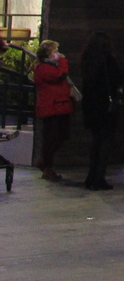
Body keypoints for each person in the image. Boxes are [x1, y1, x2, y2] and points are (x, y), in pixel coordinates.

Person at [80, 32, 123, 191]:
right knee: (105, 142)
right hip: (105, 106)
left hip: (90, 106)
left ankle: (91, 177)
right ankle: (99, 178)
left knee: (95, 142)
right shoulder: (108, 61)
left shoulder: (87, 61)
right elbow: (115, 80)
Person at [32, 40, 74, 182]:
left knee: (62, 134)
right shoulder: (43, 68)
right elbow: (59, 75)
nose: (57, 54)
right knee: (51, 138)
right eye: (54, 51)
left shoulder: (51, 65)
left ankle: (45, 162)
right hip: (51, 108)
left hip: (60, 106)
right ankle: (47, 165)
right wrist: (62, 61)